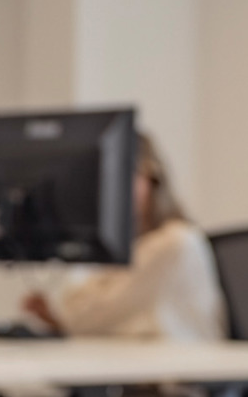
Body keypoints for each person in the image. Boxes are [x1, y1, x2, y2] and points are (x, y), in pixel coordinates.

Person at [21, 134, 226, 343]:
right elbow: (78, 308)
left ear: (151, 177)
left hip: (177, 371)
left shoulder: (177, 241)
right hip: (134, 363)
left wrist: (61, 315)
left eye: (124, 174)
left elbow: (86, 317)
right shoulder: (125, 247)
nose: (110, 188)